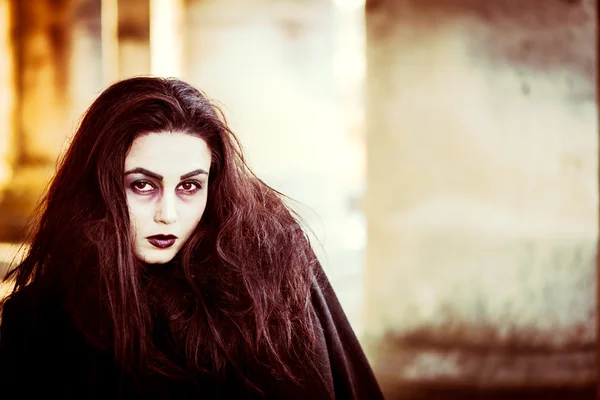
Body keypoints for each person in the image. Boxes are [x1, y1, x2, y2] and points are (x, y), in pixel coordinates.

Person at [0, 77, 384, 399]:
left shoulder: (260, 286)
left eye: (188, 185)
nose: (168, 214)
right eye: (142, 185)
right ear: (99, 187)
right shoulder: (43, 318)